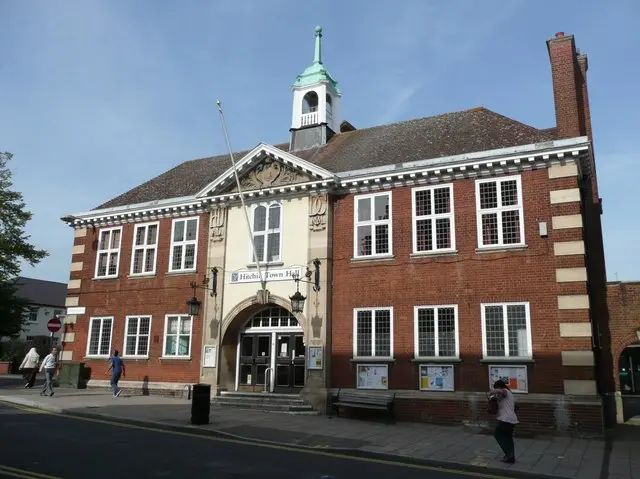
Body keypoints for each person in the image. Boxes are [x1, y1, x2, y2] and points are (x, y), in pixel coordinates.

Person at [490, 379, 518, 464]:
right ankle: (511, 456)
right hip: (511, 419)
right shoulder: (508, 394)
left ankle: (508, 454)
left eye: (496, 388)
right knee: (508, 438)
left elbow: (502, 392)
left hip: (505, 419)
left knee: (498, 435)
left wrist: (492, 391)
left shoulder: (506, 391)